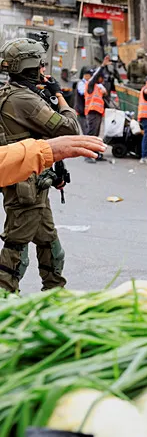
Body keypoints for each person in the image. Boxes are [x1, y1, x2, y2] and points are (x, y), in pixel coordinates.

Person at [0, 37, 81, 293]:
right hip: (27, 189)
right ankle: (4, 297)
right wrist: (58, 94)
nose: (43, 70)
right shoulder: (24, 100)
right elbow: (70, 128)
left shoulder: (10, 93)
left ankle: (55, 293)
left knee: (49, 243)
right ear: (30, 67)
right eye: (40, 66)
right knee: (16, 248)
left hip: (31, 182)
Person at [0, 136, 106, 186]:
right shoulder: (24, 98)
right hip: (25, 178)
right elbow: (68, 126)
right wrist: (43, 151)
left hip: (23, 172)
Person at [83, 58, 110, 162]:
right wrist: (102, 66)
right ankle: (88, 155)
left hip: (97, 112)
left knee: (96, 135)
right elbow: (94, 78)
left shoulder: (98, 88)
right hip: (92, 112)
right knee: (91, 135)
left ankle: (95, 154)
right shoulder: (90, 85)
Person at [74, 67, 92, 132]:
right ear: (86, 76)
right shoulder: (81, 83)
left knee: (87, 130)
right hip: (81, 111)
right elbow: (83, 93)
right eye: (90, 76)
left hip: (86, 112)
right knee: (85, 130)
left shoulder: (87, 84)